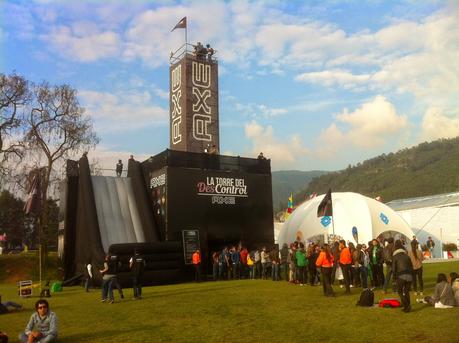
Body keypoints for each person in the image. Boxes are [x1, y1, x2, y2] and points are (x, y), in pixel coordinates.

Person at [392, 239, 413, 312]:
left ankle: (407, 306)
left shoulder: (395, 257)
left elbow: (394, 269)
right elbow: (411, 267)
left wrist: (394, 279)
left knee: (400, 292)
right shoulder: (407, 256)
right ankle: (408, 305)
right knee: (406, 291)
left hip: (400, 275)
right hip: (409, 275)